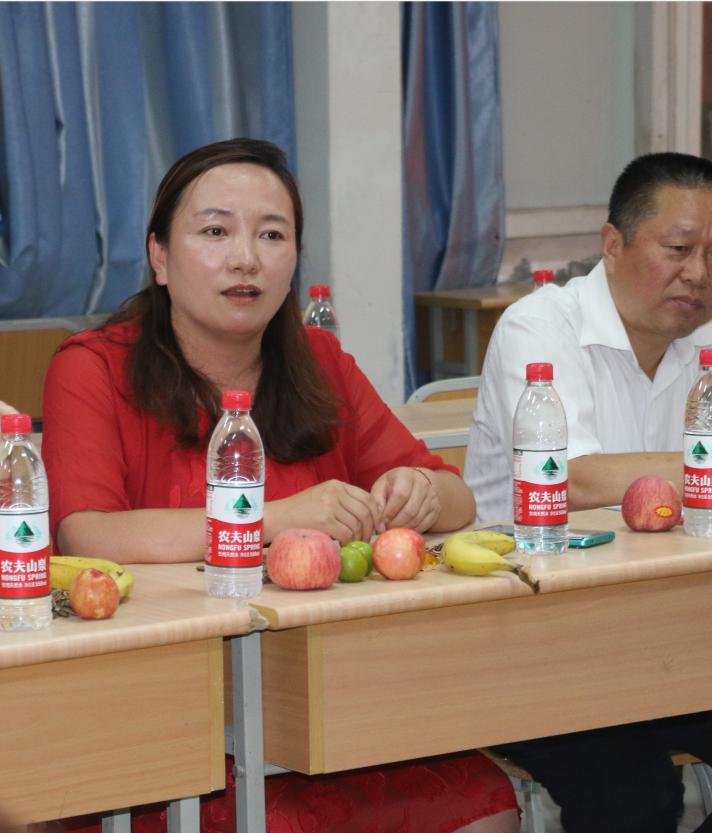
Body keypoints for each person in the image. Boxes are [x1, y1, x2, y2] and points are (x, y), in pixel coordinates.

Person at [41, 138, 518, 833]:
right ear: (160, 258)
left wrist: (417, 489)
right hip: (158, 722)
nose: (246, 258)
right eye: (215, 232)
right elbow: (87, 533)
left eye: (272, 235)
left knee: (486, 804)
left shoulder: (319, 360)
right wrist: (277, 517)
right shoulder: (92, 368)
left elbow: (456, 497)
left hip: (325, 704)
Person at [464, 152, 712, 832]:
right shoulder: (539, 327)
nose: (699, 274)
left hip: (679, 638)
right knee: (635, 802)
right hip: (537, 643)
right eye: (678, 249)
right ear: (613, 243)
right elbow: (572, 479)